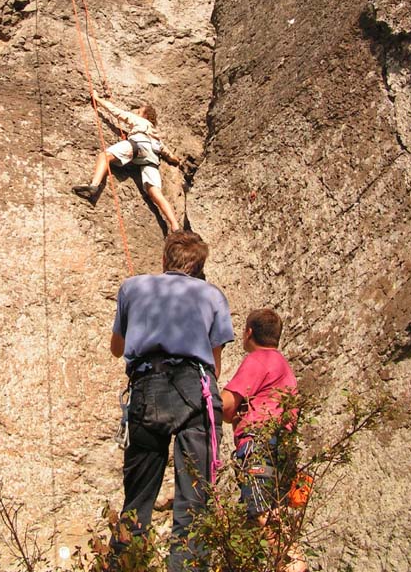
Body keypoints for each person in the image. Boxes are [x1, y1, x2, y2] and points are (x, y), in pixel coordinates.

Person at [110, 230, 234, 571]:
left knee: (136, 501)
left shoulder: (132, 288)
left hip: (146, 388)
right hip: (196, 386)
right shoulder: (213, 296)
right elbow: (215, 363)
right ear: (197, 266)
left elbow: (117, 348)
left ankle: (126, 563)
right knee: (194, 502)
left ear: (165, 258)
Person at [222, 308, 307, 572]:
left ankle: (294, 563)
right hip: (279, 447)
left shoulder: (259, 360)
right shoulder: (283, 367)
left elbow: (225, 406)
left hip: (257, 445)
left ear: (249, 333)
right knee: (249, 522)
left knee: (261, 508)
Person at [73, 95, 181, 232]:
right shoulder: (156, 135)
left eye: (139, 111)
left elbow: (117, 112)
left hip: (137, 145)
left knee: (104, 156)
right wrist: (177, 160)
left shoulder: (140, 121)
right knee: (155, 192)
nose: (136, 113)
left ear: (145, 115)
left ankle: (94, 186)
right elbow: (169, 155)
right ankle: (174, 225)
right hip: (152, 157)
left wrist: (97, 99)